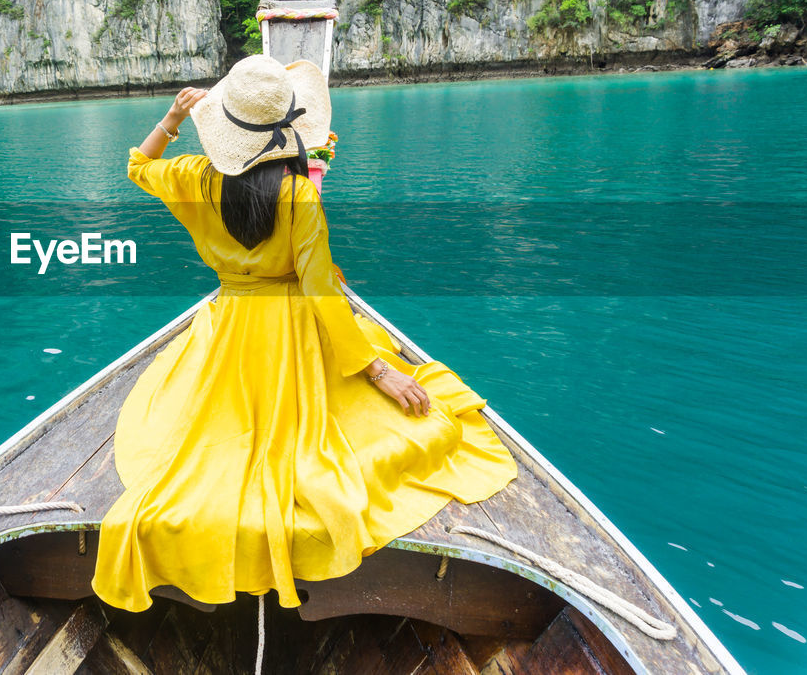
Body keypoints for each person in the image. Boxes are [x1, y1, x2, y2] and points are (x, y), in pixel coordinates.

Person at [90, 55, 517, 612]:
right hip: (294, 331)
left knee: (206, 429)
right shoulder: (299, 195)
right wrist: (377, 370)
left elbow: (137, 166)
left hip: (232, 330)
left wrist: (171, 119)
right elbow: (322, 294)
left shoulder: (192, 177)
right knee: (400, 429)